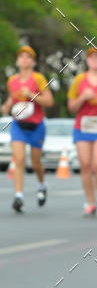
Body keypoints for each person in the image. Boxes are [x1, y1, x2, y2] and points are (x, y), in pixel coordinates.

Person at [1, 45, 53, 213]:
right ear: (17, 61)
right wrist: (6, 106)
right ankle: (18, 197)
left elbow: (49, 101)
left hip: (36, 125)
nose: (24, 59)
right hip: (18, 125)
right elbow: (12, 99)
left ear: (33, 62)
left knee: (36, 163)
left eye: (28, 57)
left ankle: (42, 184)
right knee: (20, 159)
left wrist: (31, 94)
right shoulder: (12, 80)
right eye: (21, 56)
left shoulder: (38, 78)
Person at [67, 47, 97, 216]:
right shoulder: (79, 80)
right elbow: (71, 107)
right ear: (87, 60)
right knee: (85, 165)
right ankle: (90, 202)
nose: (94, 60)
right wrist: (82, 98)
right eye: (91, 57)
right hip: (83, 127)